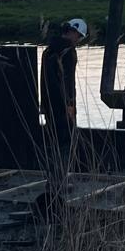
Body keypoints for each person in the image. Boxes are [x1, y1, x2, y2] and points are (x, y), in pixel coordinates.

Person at [40, 16, 87, 155]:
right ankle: (65, 172)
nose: (78, 41)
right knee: (66, 141)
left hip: (49, 104)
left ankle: (53, 171)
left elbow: (45, 80)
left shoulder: (48, 51)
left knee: (53, 139)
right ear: (73, 32)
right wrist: (69, 103)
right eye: (79, 37)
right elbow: (68, 80)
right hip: (64, 106)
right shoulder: (68, 52)